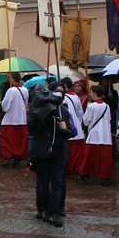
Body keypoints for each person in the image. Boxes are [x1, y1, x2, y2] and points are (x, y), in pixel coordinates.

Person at [28, 80, 76, 226]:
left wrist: (64, 129)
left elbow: (72, 132)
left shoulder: (64, 111)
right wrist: (36, 116)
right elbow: (30, 129)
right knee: (43, 184)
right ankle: (42, 208)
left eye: (62, 91)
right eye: (57, 91)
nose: (59, 94)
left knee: (57, 184)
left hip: (58, 152)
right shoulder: (38, 110)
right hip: (42, 153)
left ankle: (53, 211)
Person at [80, 85, 114, 184]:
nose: (90, 94)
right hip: (105, 134)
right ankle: (105, 177)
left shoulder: (91, 106)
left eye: (91, 92)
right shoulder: (106, 106)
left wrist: (87, 108)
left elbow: (86, 121)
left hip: (94, 134)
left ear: (95, 93)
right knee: (104, 158)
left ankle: (84, 173)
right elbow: (108, 120)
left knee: (89, 156)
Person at [0, 73, 30, 168]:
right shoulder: (25, 90)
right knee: (18, 141)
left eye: (10, 78)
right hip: (21, 118)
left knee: (5, 139)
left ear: (13, 79)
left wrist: (2, 102)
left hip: (10, 119)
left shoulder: (11, 90)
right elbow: (25, 103)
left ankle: (8, 157)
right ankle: (17, 158)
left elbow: (5, 106)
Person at [61, 77, 86, 177]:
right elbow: (80, 114)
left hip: (68, 127)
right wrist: (77, 125)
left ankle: (70, 170)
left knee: (70, 153)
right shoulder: (75, 97)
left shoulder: (65, 98)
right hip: (76, 128)